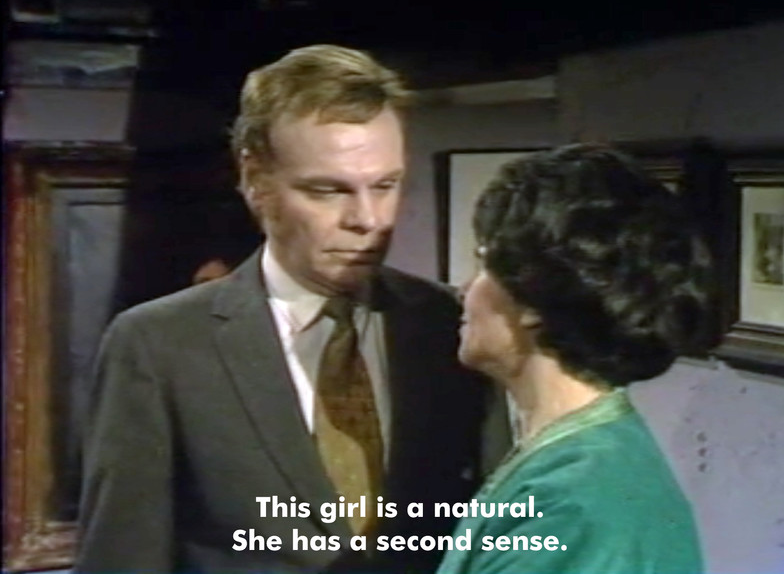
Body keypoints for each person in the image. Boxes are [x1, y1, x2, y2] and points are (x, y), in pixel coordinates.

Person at [77, 45, 508, 573]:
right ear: (256, 181)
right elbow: (121, 558)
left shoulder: (447, 325)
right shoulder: (160, 345)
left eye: (385, 186)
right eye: (328, 190)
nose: (369, 219)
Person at [437, 144, 712, 574]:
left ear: (532, 300)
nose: (464, 289)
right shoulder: (577, 461)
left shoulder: (572, 504)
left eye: (483, 264)